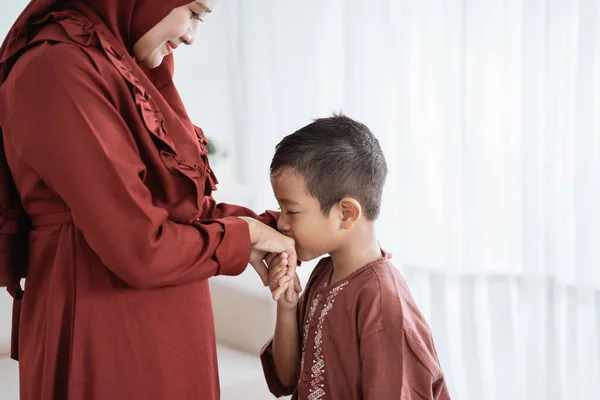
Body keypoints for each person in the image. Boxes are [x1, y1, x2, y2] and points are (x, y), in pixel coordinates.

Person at [0, 1, 299, 399]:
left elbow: (175, 207)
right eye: (193, 12)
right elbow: (139, 246)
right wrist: (243, 237)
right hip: (102, 324)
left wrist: (276, 228)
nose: (192, 36)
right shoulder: (56, 67)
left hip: (160, 321)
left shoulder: (121, 64)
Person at [260, 115, 451, 399]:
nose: (282, 223)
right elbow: (288, 378)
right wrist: (288, 307)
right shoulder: (325, 273)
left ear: (346, 213)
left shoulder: (383, 302)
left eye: (291, 210)